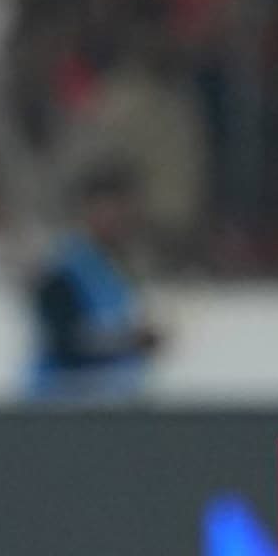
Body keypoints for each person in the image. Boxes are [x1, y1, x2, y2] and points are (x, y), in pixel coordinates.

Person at [27, 161, 166, 400]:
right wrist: (130, 341)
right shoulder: (60, 272)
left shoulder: (120, 269)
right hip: (64, 403)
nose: (117, 219)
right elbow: (66, 343)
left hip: (111, 401)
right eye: (108, 209)